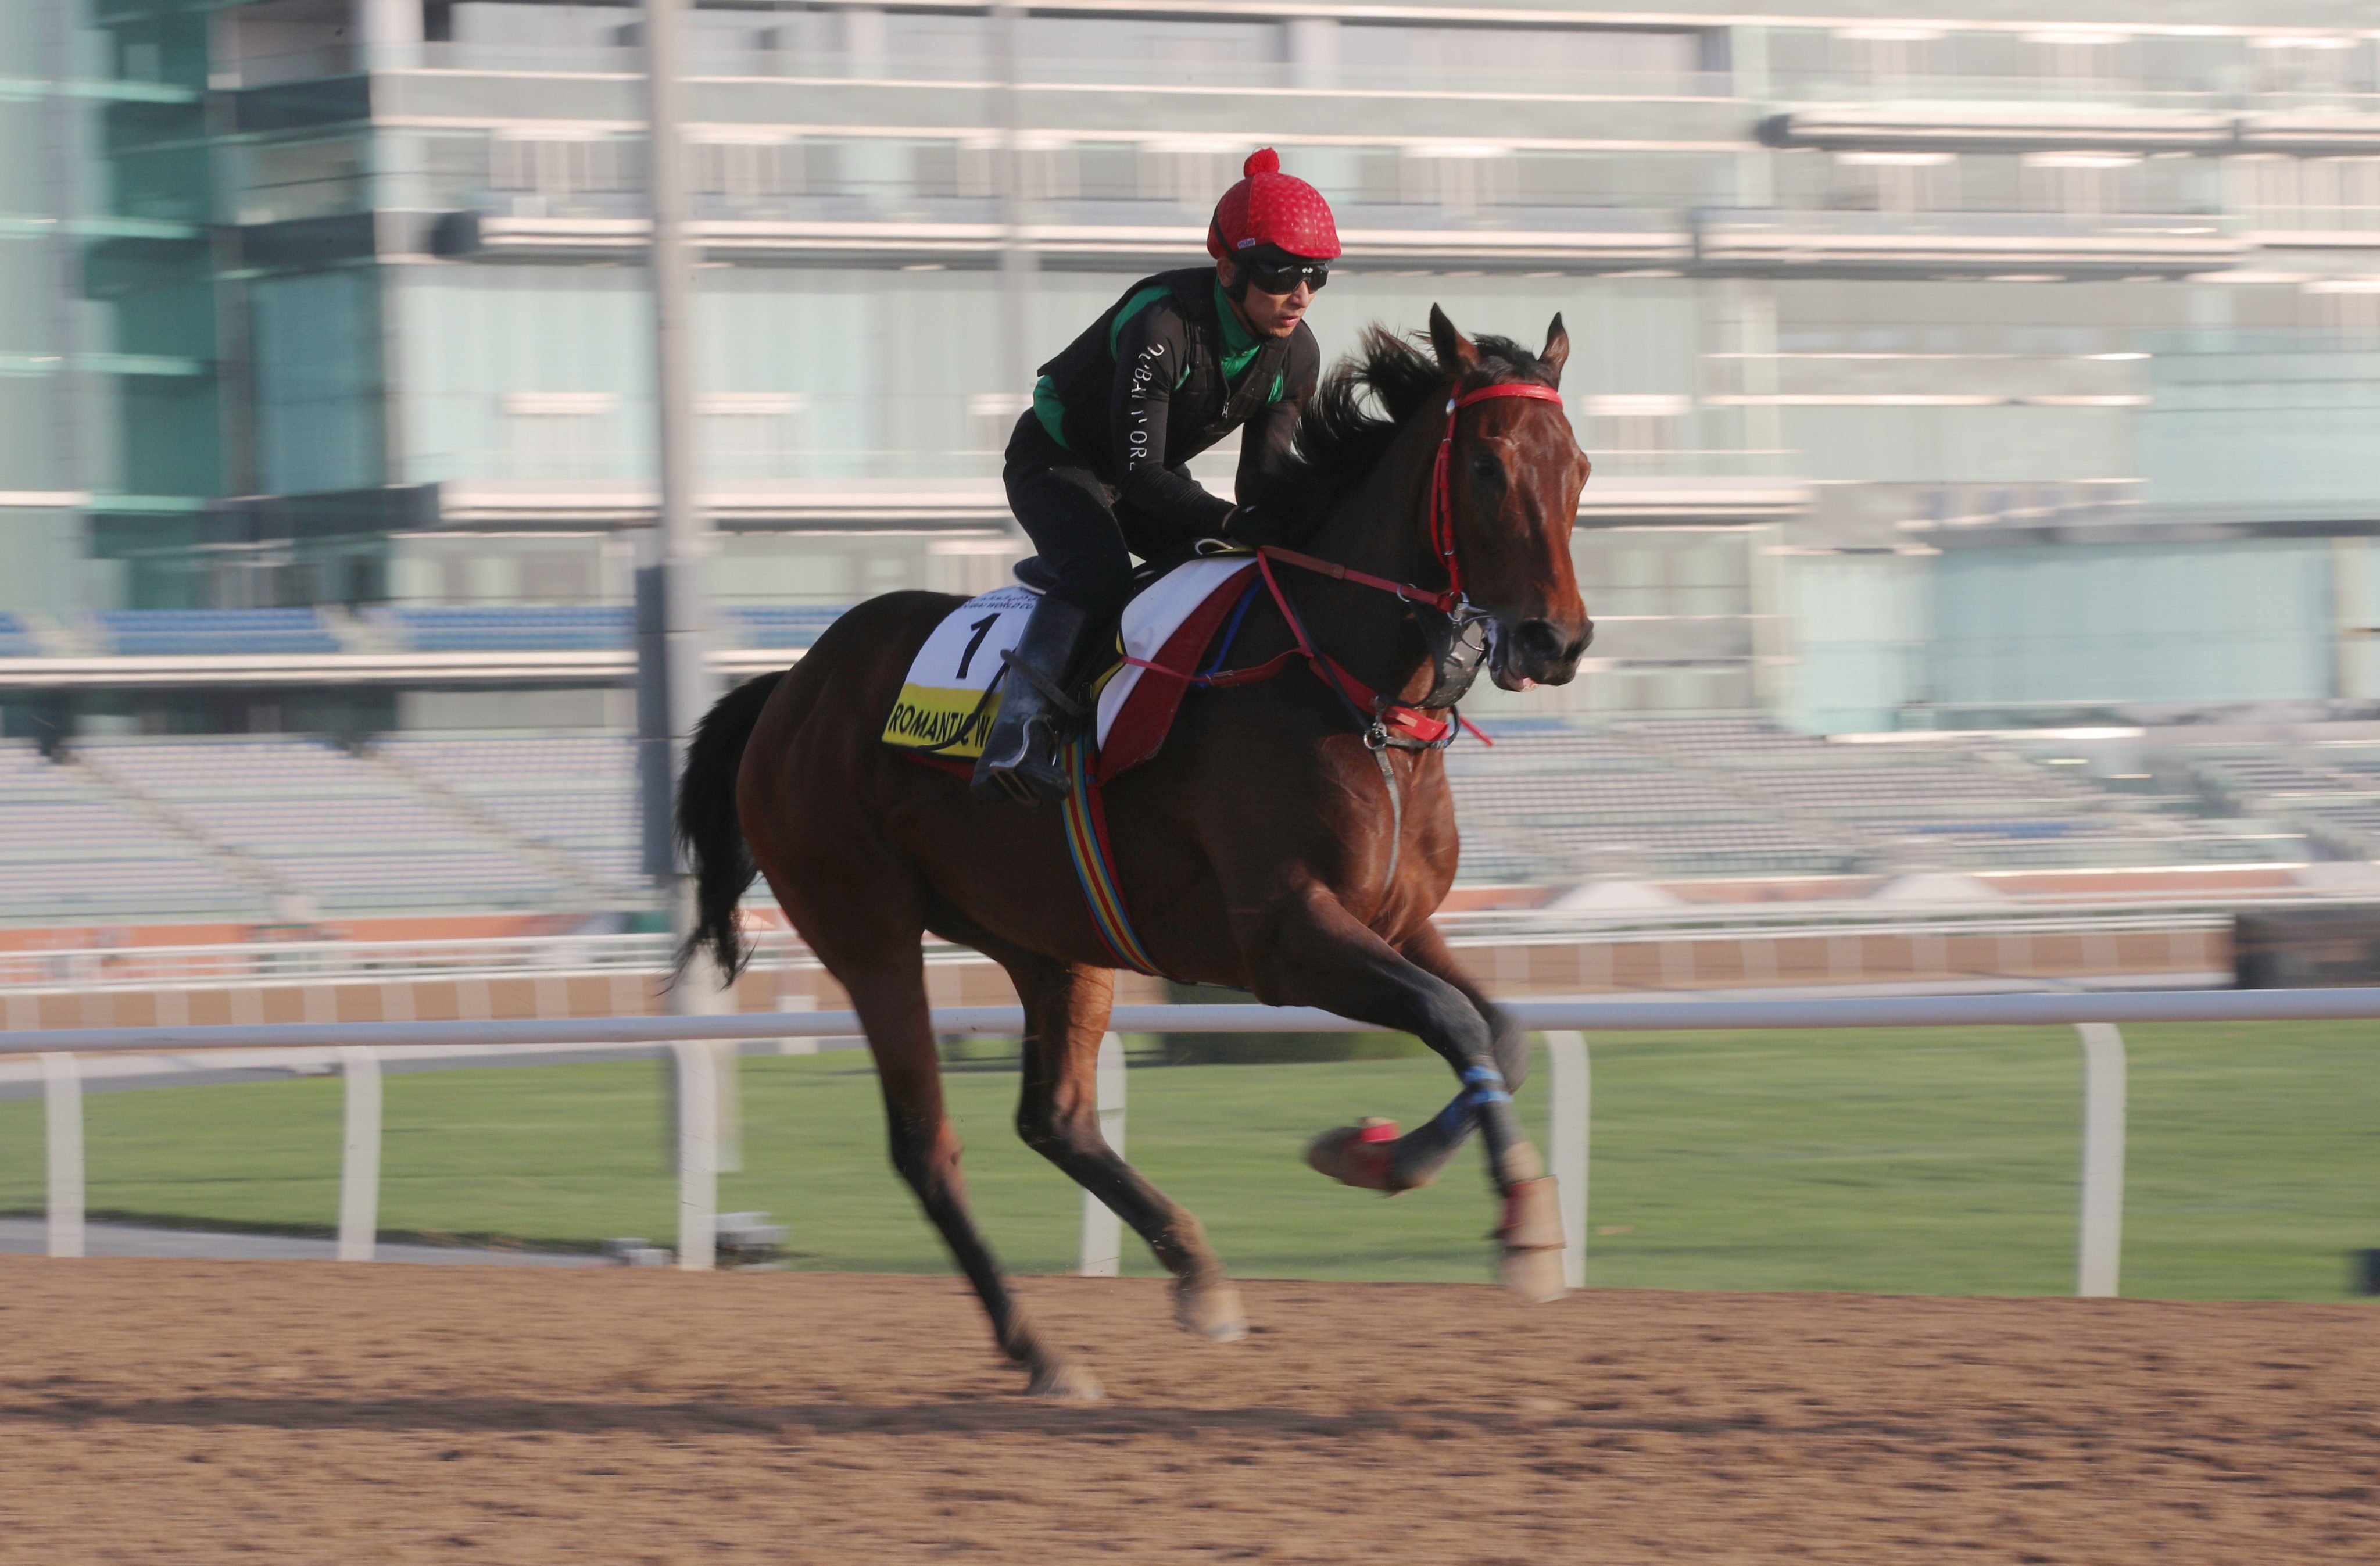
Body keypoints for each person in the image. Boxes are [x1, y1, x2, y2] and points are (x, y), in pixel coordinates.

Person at [974, 147, 1341, 805]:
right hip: (1061, 462)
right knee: (1099, 572)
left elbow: (1261, 490)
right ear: (1227, 269)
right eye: (1281, 272)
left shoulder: (1298, 355)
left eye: (1315, 274)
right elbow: (1142, 477)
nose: (1301, 294)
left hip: (1148, 475)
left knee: (1234, 572)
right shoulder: (1161, 324)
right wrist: (1230, 520)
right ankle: (1018, 733)